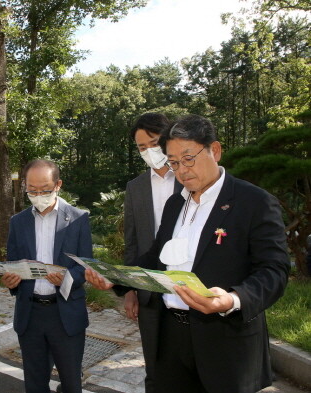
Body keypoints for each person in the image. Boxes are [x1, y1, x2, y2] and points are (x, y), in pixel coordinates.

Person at [86, 115, 290, 393]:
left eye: (188, 158)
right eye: (173, 162)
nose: (181, 170)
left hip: (225, 342)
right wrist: (116, 278)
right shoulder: (175, 204)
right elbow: (155, 258)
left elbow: (274, 270)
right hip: (170, 337)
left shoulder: (254, 202)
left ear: (214, 150)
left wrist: (233, 298)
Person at [1, 159, 92, 393]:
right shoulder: (18, 221)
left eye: (45, 190)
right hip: (31, 315)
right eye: (32, 190)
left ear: (58, 185)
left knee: (71, 382)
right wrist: (11, 281)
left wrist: (67, 279)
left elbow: (86, 265)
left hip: (65, 314)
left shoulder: (78, 218)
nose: (38, 195)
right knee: (35, 383)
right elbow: (13, 264)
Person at [122, 112, 182, 393]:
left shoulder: (188, 177)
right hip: (149, 287)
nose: (148, 151)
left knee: (189, 363)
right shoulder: (135, 188)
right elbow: (132, 242)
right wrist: (131, 289)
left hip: (188, 285)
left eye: (154, 143)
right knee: (155, 367)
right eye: (141, 147)